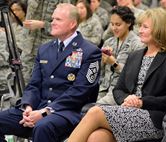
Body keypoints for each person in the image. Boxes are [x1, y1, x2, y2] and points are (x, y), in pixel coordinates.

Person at [67, 7, 166, 142]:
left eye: (145, 27)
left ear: (159, 29)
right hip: (127, 110)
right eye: (140, 26)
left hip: (153, 117)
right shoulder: (135, 55)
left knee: (95, 111)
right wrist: (129, 99)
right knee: (97, 137)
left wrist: (141, 102)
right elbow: (118, 90)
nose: (139, 31)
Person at [0, 3, 101, 142]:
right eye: (52, 19)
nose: (52, 23)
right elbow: (34, 85)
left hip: (67, 112)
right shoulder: (44, 49)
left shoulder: (90, 51)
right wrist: (28, 106)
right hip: (38, 108)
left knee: (42, 126)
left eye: (58, 20)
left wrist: (45, 112)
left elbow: (80, 91)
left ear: (72, 24)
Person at [97, 6, 143, 105]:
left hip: (121, 93)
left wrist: (114, 63)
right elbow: (101, 71)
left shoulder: (137, 44)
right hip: (103, 89)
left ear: (129, 23)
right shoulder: (109, 42)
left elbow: (134, 76)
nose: (114, 28)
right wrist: (101, 58)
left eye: (118, 24)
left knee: (93, 110)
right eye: (112, 24)